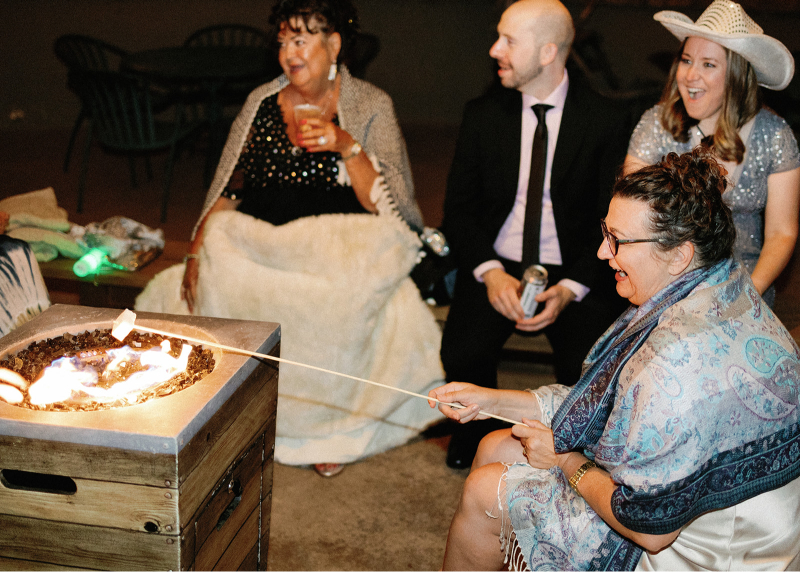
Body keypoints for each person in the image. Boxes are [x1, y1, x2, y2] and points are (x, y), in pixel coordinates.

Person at [428, 148, 800, 571]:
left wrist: (567, 460)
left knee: (482, 490)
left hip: (712, 551)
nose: (604, 253)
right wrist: (489, 402)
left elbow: (650, 529)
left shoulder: (675, 356)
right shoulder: (718, 281)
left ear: (679, 253)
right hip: (731, 515)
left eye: (618, 241)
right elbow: (606, 403)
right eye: (606, 233)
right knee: (496, 442)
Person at [136, 0, 443, 478]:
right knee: (219, 240)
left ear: (333, 44)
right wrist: (197, 247)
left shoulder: (369, 103)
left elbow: (387, 204)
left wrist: (346, 144)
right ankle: (242, 414)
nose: (287, 54)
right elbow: (229, 187)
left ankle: (328, 428)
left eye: (300, 41)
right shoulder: (262, 101)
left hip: (334, 240)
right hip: (265, 238)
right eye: (282, 42)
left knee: (342, 292)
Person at [439, 0, 631, 469]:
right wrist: (490, 274)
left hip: (578, 266)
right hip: (497, 260)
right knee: (462, 348)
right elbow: (458, 211)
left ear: (548, 52)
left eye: (509, 41)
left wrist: (570, 290)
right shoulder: (482, 113)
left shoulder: (605, 119)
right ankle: (478, 437)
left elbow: (610, 219)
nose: (494, 49)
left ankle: (566, 450)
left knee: (590, 361)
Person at [625, 0, 800, 309]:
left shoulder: (775, 134)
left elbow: (782, 232)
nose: (690, 75)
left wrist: (746, 296)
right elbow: (631, 217)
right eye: (687, 60)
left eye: (708, 64)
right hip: (665, 290)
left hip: (747, 289)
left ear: (735, 75)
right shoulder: (656, 124)